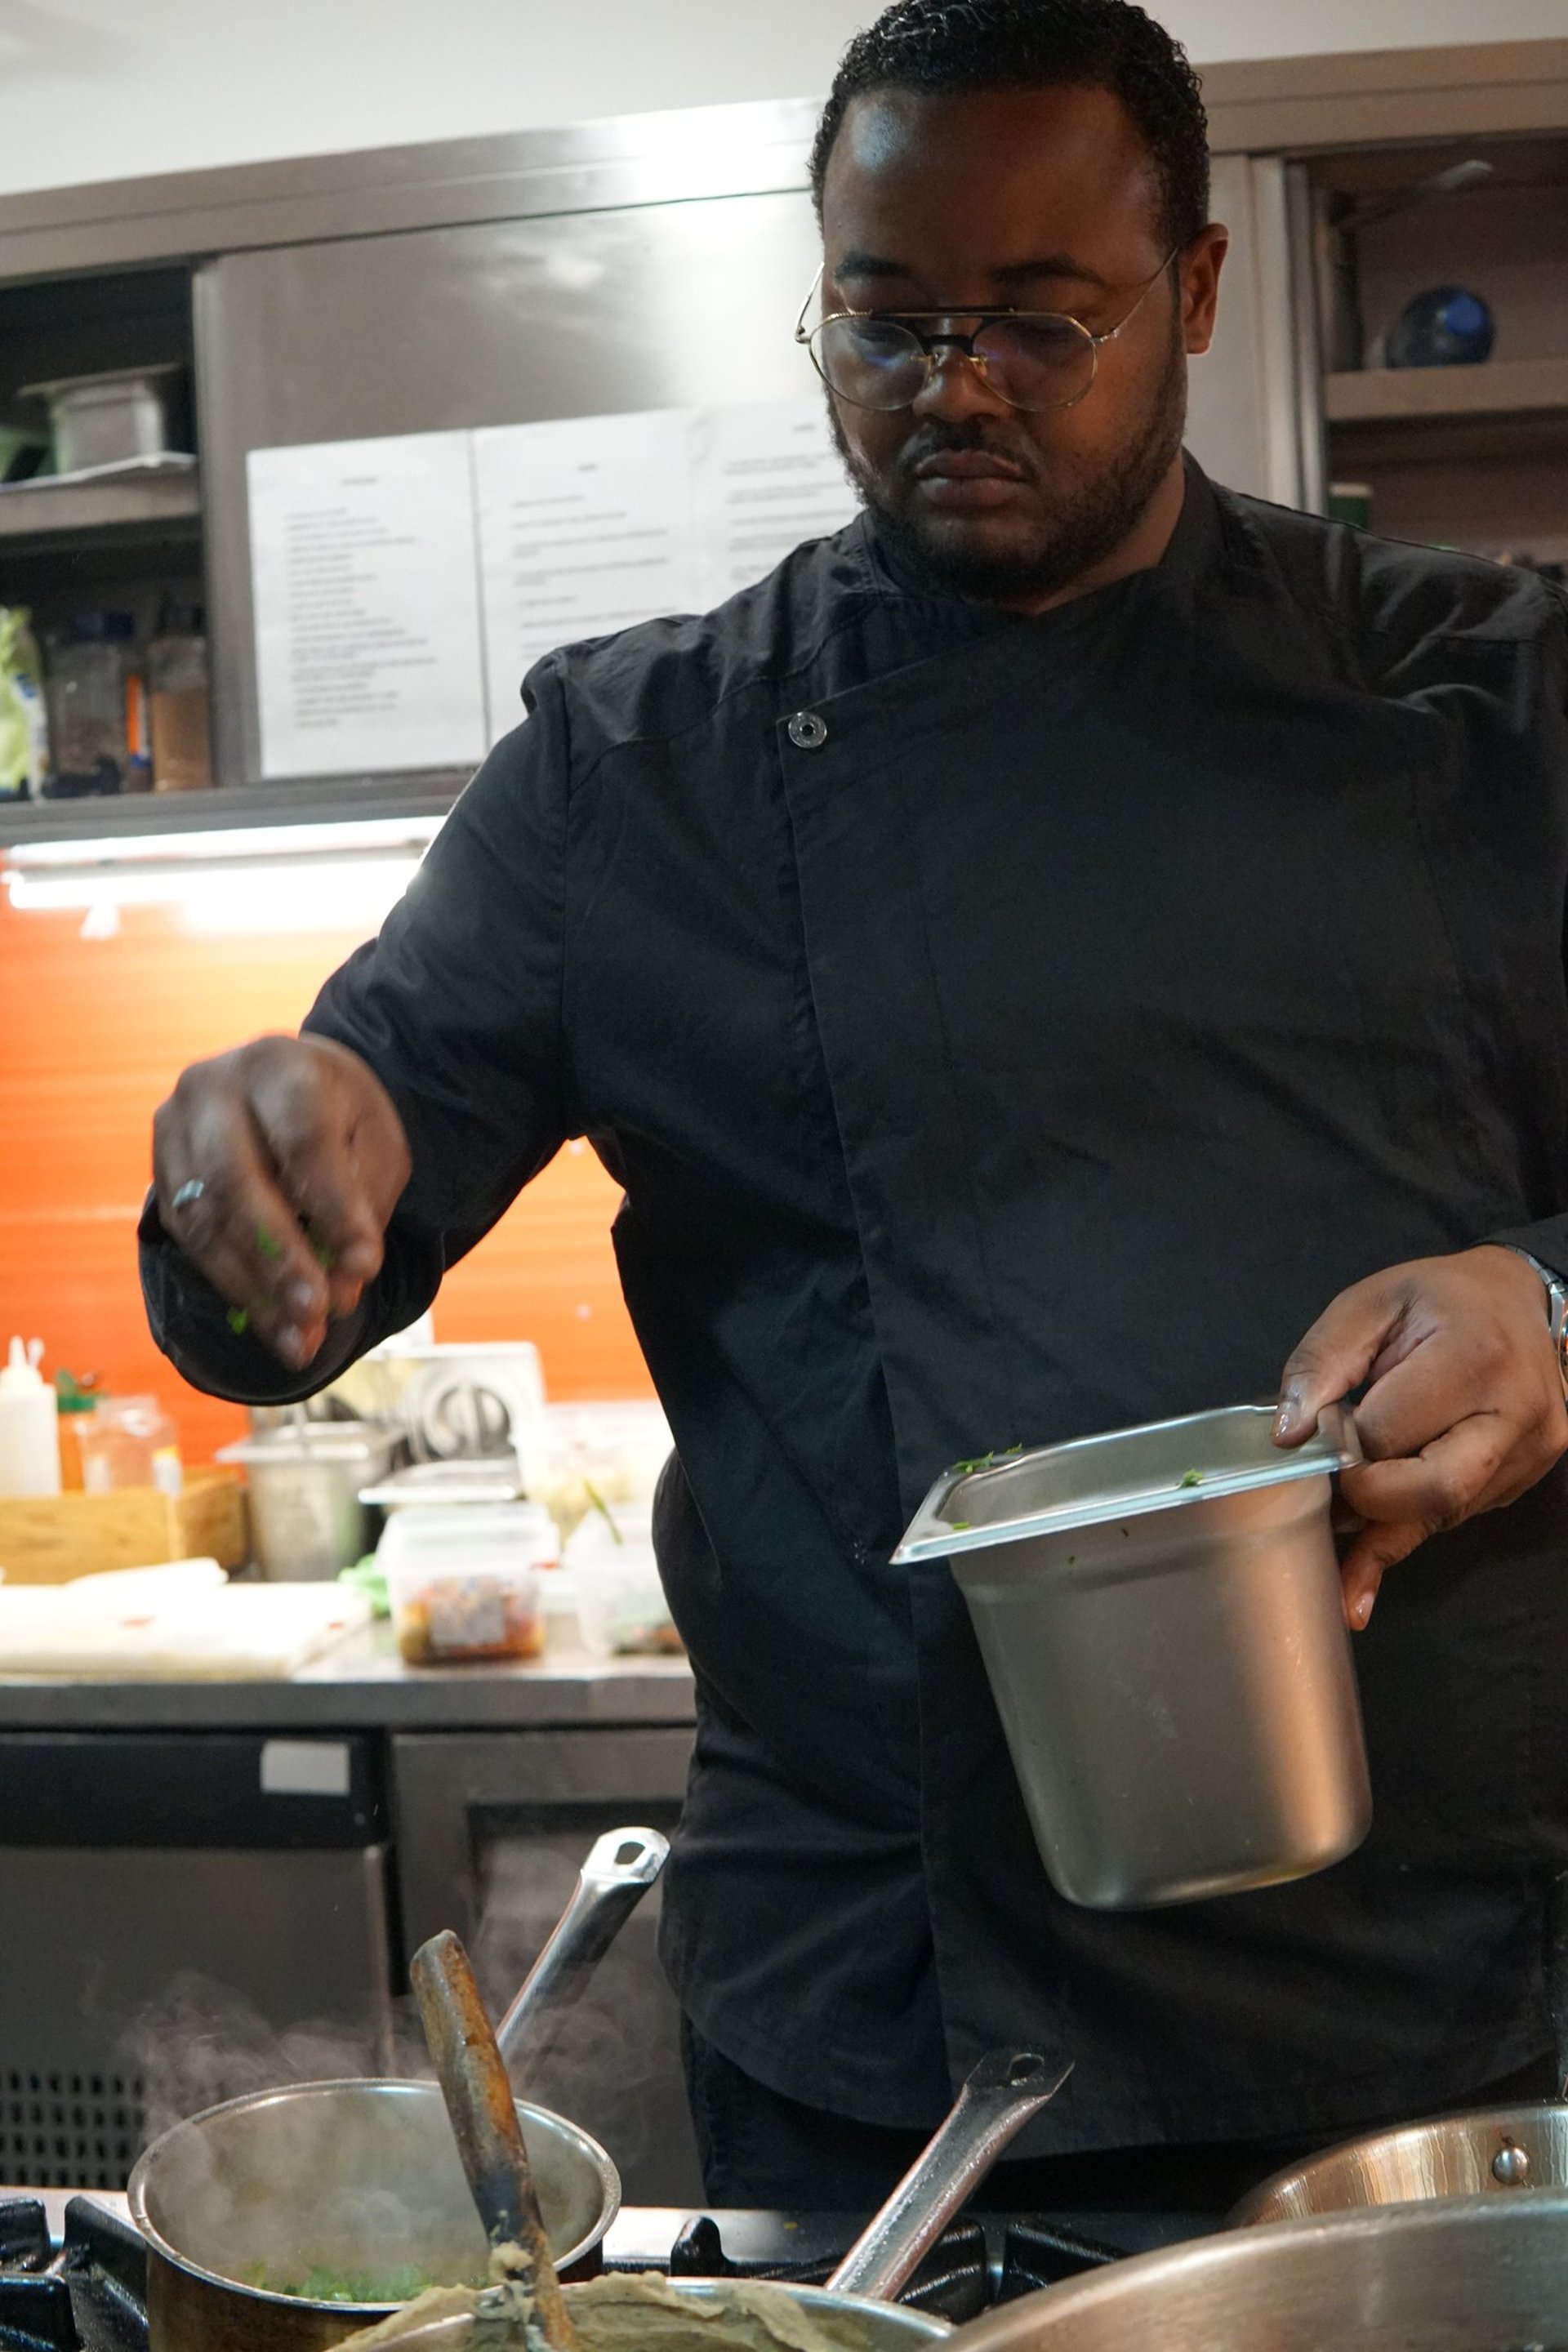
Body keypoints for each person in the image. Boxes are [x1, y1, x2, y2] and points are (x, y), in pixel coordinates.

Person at [144, 0, 1568, 2220]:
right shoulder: (638, 773)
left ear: (1191, 291)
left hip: (1429, 2024)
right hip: (880, 2030)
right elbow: (308, 1228)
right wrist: (255, 1175)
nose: (955, 384)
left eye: (1038, 317)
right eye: (885, 322)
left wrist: (1549, 1302)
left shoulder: (1479, 690)